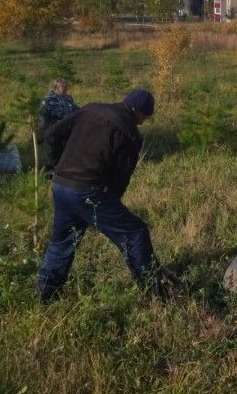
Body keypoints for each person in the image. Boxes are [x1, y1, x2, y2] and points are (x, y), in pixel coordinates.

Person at [37, 90, 174, 302]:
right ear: (138, 111)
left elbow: (52, 134)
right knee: (135, 233)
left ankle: (45, 294)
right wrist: (110, 203)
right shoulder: (129, 133)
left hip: (61, 186)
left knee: (62, 241)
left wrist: (55, 167)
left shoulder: (90, 109)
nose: (144, 123)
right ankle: (154, 291)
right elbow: (120, 178)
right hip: (88, 192)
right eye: (145, 118)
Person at [38, 78, 78, 170]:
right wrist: (40, 131)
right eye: (63, 87)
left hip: (67, 131)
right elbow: (42, 117)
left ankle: (64, 170)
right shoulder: (47, 100)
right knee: (52, 154)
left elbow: (76, 111)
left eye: (66, 86)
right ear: (57, 87)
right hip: (53, 132)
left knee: (66, 153)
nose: (66, 88)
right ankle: (50, 172)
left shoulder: (68, 99)